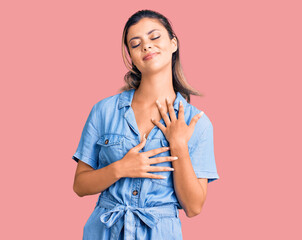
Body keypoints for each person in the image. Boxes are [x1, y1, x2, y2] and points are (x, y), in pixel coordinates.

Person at [71, 9, 219, 240]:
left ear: (173, 43)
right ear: (131, 56)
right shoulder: (104, 110)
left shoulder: (197, 122)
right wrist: (120, 168)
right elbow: (80, 185)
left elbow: (193, 207)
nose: (146, 46)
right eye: (135, 43)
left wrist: (178, 144)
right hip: (103, 232)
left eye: (154, 37)